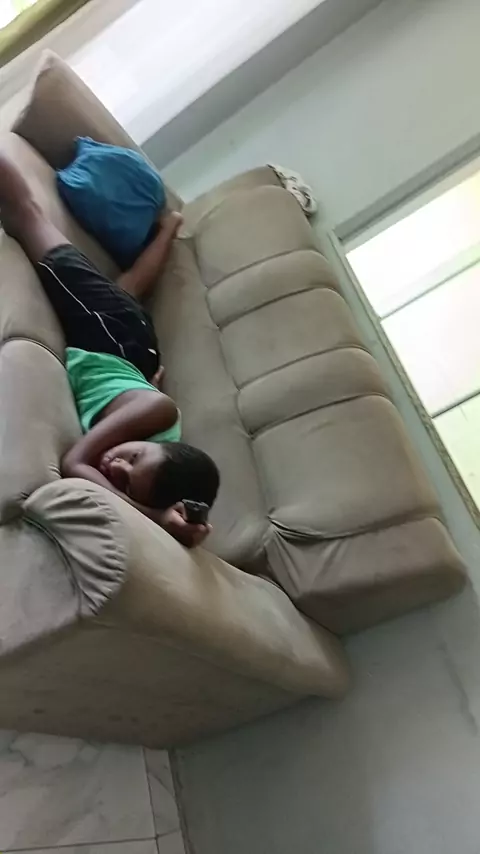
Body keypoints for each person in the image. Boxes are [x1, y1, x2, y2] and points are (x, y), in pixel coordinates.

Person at [0, 152, 219, 548]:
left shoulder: (159, 447)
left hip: (131, 353)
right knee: (26, 216)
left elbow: (150, 420)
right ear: (161, 447)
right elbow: (74, 462)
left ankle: (170, 225)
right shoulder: (158, 416)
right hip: (111, 341)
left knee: (127, 289)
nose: (115, 466)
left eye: (125, 483)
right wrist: (154, 517)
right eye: (133, 458)